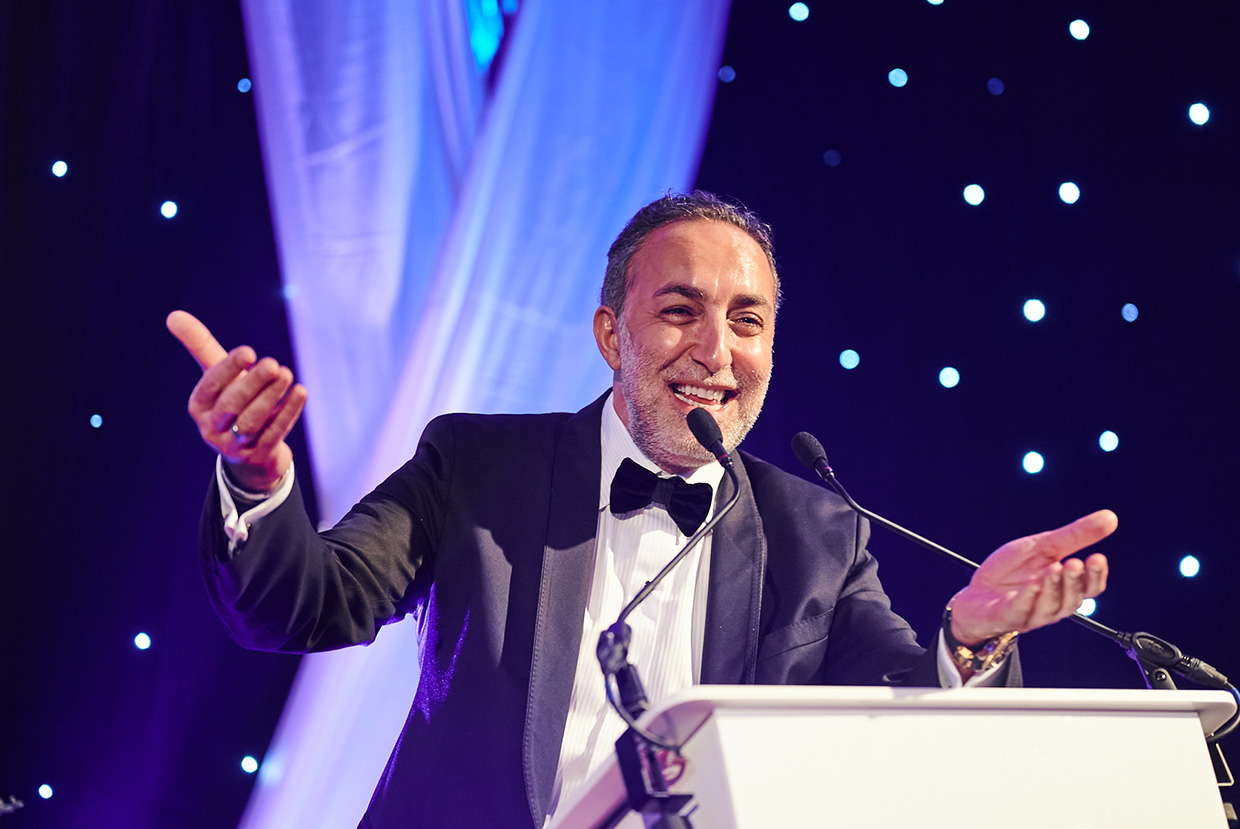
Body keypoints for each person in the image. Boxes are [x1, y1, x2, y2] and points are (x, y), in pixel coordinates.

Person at [169, 192, 1114, 828]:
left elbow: (899, 729)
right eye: (679, 311)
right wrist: (256, 478)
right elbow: (305, 604)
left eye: (747, 320)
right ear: (609, 333)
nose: (717, 348)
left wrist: (974, 638)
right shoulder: (479, 462)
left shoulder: (819, 532)